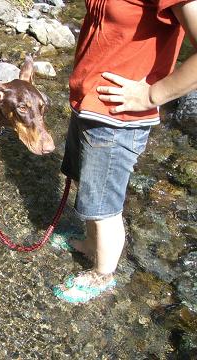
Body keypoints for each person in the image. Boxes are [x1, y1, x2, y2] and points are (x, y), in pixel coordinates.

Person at [53, 0, 197, 303]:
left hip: (118, 119)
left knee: (104, 206)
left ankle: (103, 274)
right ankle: (93, 246)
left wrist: (151, 94)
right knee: (90, 191)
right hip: (89, 105)